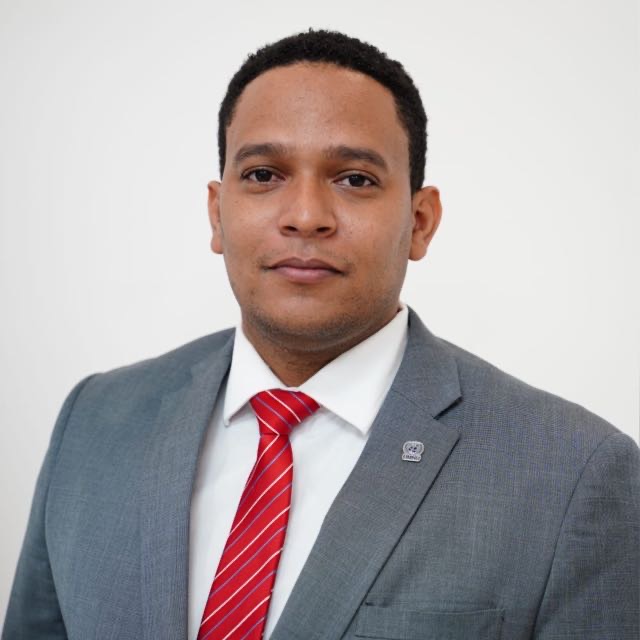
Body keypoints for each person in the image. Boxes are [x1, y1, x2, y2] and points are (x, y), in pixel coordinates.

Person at [3, 29, 638, 640]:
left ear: (420, 222)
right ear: (217, 213)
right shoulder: (95, 422)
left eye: (355, 179)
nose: (306, 217)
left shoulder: (574, 477)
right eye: (263, 175)